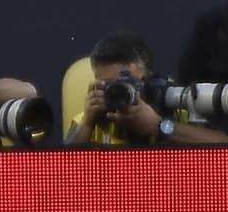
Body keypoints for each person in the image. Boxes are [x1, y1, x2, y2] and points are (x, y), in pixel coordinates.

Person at [65, 31, 228, 146]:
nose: (123, 91)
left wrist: (159, 125)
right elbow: (63, 169)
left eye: (130, 83)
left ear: (151, 79)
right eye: (111, 85)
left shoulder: (175, 111)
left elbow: (222, 145)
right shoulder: (92, 118)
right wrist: (87, 123)